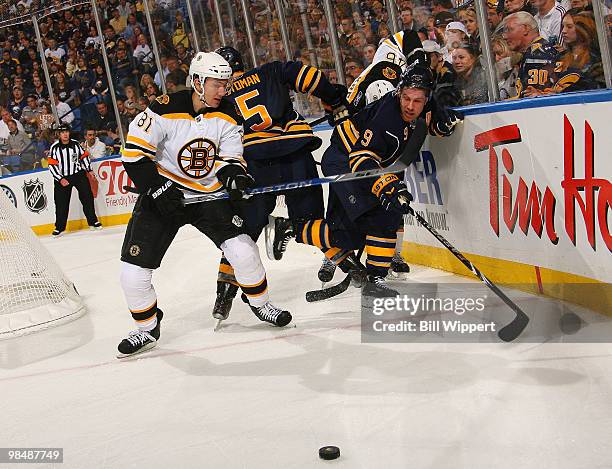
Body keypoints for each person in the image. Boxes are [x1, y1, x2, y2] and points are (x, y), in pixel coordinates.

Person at [116, 52, 292, 358]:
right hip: (163, 196)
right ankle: (147, 327)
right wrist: (157, 188)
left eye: (225, 84)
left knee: (243, 251)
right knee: (132, 274)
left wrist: (236, 178)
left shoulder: (228, 114)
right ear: (197, 81)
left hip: (207, 197)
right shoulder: (163, 108)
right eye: (216, 84)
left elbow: (229, 159)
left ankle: (260, 304)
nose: (222, 91)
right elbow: (134, 155)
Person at [287, 65, 460, 297]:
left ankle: (375, 280)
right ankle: (292, 227)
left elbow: (433, 118)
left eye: (417, 101)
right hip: (345, 161)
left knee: (387, 216)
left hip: (370, 163)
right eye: (406, 98)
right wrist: (386, 185)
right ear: (399, 92)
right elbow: (361, 158)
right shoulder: (386, 118)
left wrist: (442, 123)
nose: (410, 106)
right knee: (356, 231)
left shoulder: (423, 100)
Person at [209, 46, 349, 323]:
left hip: (255, 163)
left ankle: (224, 296)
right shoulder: (270, 71)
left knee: (242, 234)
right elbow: (309, 76)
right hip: (295, 153)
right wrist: (334, 99)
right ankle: (354, 269)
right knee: (310, 221)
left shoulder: (220, 95)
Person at [503, 11, 581, 97]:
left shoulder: (535, 56)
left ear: (525, 29)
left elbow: (529, 101)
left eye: (510, 30)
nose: (505, 36)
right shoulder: (540, 51)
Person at [47, 124, 102, 236]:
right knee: (61, 203)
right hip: (62, 177)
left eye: (67, 131)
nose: (65, 134)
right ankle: (59, 227)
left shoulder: (76, 144)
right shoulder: (55, 147)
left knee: (87, 197)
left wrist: (89, 170)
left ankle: (93, 221)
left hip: (78, 174)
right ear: (59, 134)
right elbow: (52, 165)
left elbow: (84, 157)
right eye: (62, 132)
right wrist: (60, 178)